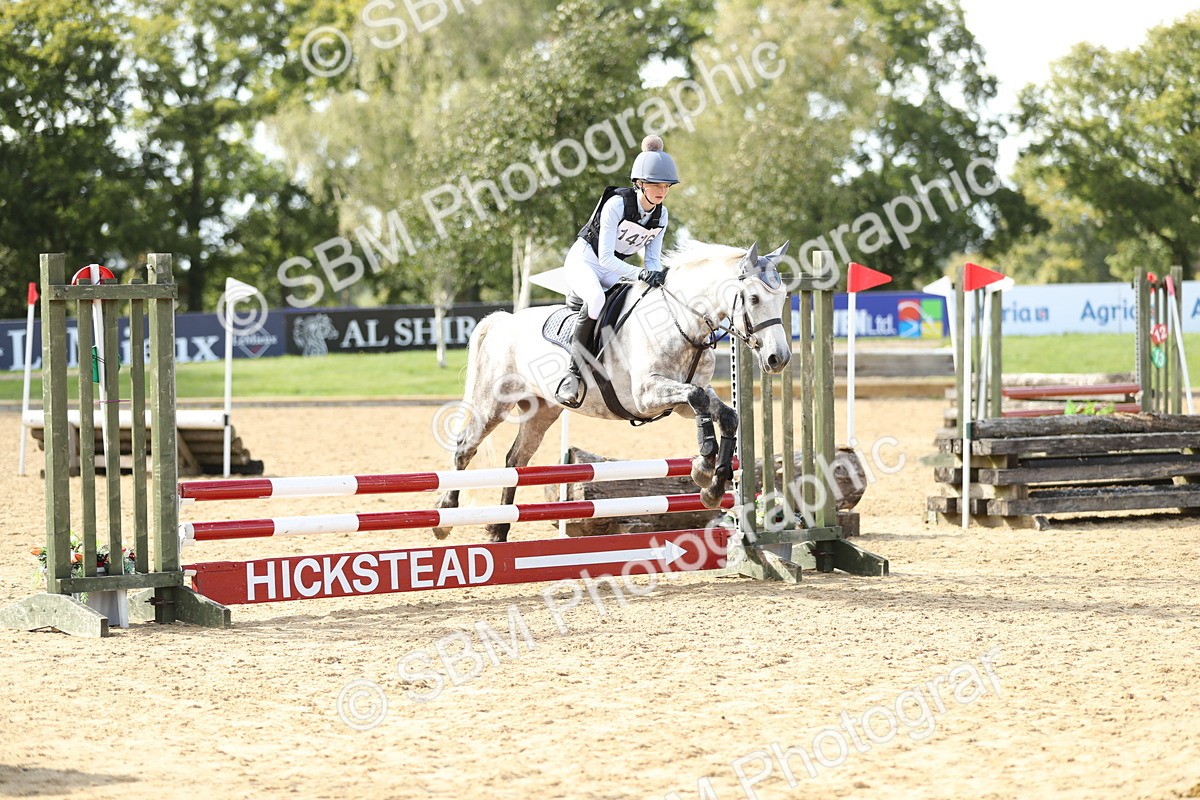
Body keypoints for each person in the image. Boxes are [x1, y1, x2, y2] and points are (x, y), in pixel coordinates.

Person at [554, 135, 679, 408]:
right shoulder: (617, 204)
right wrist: (640, 275)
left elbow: (652, 260)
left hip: (615, 268)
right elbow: (606, 258)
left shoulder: (661, 215)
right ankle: (572, 376)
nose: (662, 191)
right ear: (640, 184)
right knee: (597, 300)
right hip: (585, 260)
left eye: (666, 185)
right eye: (655, 184)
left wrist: (657, 277)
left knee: (638, 301)